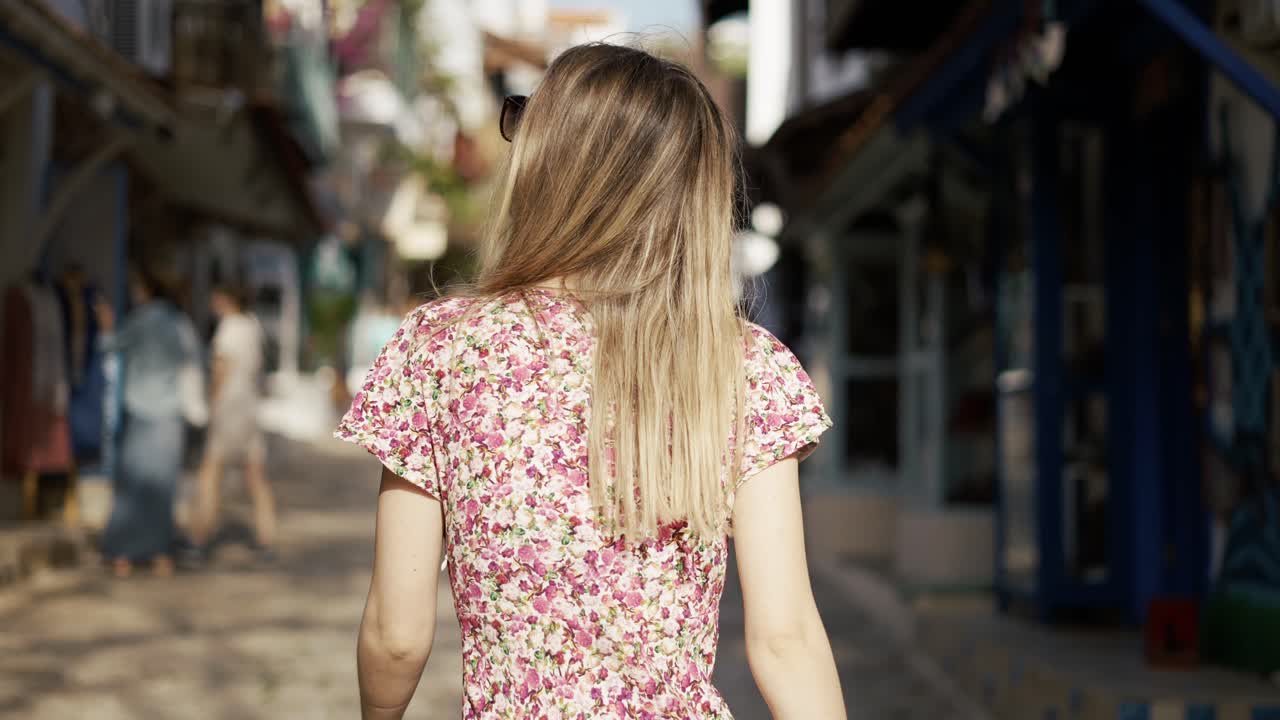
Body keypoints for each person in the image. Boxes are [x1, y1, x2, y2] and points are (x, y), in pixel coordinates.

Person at [337, 43, 846, 720]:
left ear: (553, 166)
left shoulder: (440, 351)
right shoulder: (742, 366)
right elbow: (785, 640)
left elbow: (397, 638)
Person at [96, 265, 199, 578]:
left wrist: (105, 324)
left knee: (132, 488)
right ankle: (160, 553)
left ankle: (122, 554)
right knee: (162, 489)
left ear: (146, 289)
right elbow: (192, 360)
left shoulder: (140, 321)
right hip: (169, 416)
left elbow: (108, 345)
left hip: (142, 412)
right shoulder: (178, 323)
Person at [186, 281, 277, 565]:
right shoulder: (252, 325)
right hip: (249, 407)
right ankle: (267, 538)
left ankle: (199, 539)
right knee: (256, 477)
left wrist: (210, 407)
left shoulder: (228, 328)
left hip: (229, 408)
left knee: (210, 473)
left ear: (225, 299)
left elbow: (220, 371)